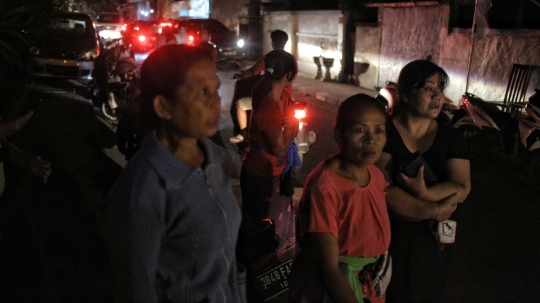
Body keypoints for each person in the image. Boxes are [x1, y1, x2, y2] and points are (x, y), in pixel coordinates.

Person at [105, 44, 246, 303]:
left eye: (215, 89)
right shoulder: (144, 190)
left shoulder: (212, 159)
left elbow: (224, 264)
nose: (216, 101)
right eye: (202, 92)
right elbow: (136, 291)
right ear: (163, 106)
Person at [374, 60, 471, 302]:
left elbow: (462, 187)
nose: (438, 96)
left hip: (432, 240)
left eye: (440, 89)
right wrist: (435, 209)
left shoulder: (451, 136)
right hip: (390, 235)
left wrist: (426, 193)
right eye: (429, 88)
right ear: (405, 94)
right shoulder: (384, 132)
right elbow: (382, 187)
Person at [289, 94, 391, 303]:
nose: (371, 139)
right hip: (339, 290)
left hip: (368, 286)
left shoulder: (376, 176)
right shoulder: (325, 187)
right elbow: (329, 268)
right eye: (359, 130)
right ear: (339, 135)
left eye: (378, 130)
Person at [240, 49, 299, 265]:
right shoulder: (269, 105)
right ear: (289, 75)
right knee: (261, 232)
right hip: (261, 177)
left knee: (270, 231)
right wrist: (292, 130)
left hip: (272, 174)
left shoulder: (282, 94)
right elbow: (280, 149)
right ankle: (257, 277)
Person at [229, 29, 292, 144]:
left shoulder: (268, 58)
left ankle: (243, 135)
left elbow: (253, 72)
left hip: (268, 98)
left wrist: (240, 76)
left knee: (240, 105)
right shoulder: (292, 59)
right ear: (285, 42)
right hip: (286, 98)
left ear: (272, 42)